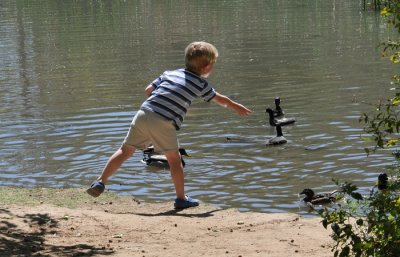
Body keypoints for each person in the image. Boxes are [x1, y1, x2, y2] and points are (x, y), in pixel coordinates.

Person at [87, 41, 252, 209]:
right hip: (163, 121)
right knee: (175, 160)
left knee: (125, 151)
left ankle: (100, 182)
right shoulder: (201, 84)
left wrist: (165, 97)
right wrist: (236, 106)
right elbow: (219, 98)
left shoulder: (169, 73)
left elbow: (147, 90)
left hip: (143, 113)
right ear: (207, 67)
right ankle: (181, 199)